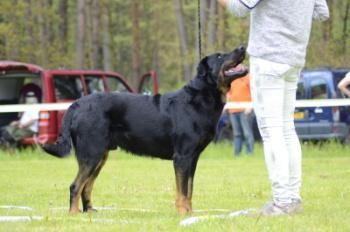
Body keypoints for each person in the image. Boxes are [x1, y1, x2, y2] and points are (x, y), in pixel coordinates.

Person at [218, 0, 329, 216]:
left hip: (269, 58)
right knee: (287, 128)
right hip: (294, 59)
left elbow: (239, 8)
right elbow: (322, 13)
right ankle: (292, 198)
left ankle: (282, 201)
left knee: (271, 132)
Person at [226, 74, 254, 156]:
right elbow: (228, 93)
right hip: (233, 109)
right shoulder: (231, 78)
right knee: (236, 133)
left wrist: (250, 106)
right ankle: (237, 154)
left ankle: (249, 153)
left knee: (247, 133)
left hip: (245, 109)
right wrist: (226, 106)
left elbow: (254, 92)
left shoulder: (248, 77)